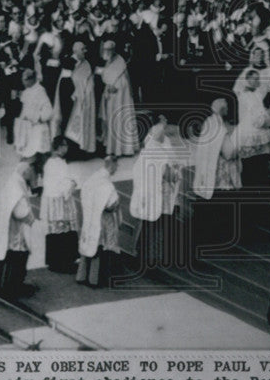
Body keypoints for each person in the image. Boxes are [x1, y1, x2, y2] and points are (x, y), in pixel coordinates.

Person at [0, 161, 37, 298]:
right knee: (17, 255)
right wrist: (30, 216)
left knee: (6, 253)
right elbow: (20, 212)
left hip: (10, 226)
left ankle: (1, 282)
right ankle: (12, 286)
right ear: (24, 173)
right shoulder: (17, 186)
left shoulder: (14, 180)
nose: (32, 175)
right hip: (17, 229)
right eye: (30, 172)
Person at [130, 120, 183, 267]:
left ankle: (139, 254)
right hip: (157, 195)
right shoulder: (157, 152)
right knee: (155, 227)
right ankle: (151, 258)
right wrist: (176, 171)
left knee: (145, 224)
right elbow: (169, 175)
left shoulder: (148, 149)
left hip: (146, 195)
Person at [77, 156, 121, 287]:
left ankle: (82, 275)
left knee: (89, 244)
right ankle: (95, 279)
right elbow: (111, 205)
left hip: (89, 217)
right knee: (101, 246)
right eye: (116, 166)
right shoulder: (107, 184)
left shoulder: (92, 179)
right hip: (103, 219)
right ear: (111, 165)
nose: (117, 169)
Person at [42, 136, 80, 273]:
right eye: (65, 145)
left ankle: (55, 261)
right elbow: (64, 184)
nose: (67, 148)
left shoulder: (50, 163)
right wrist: (73, 183)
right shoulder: (60, 164)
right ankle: (65, 262)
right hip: (60, 201)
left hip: (52, 200)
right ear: (59, 147)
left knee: (56, 232)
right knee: (63, 230)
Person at [55, 40, 97, 159]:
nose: (85, 51)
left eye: (85, 49)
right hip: (71, 102)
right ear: (75, 51)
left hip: (84, 101)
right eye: (83, 49)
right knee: (69, 126)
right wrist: (74, 97)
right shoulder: (68, 63)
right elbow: (64, 84)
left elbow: (89, 80)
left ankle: (82, 151)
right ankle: (69, 154)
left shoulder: (86, 63)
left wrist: (86, 94)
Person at [97, 38, 139, 157]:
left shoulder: (120, 60)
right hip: (111, 91)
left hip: (121, 93)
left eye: (109, 49)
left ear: (113, 49)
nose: (107, 51)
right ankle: (112, 148)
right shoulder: (108, 60)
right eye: (106, 49)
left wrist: (116, 86)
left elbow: (125, 77)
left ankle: (124, 149)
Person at [234, 67, 270, 186]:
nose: (258, 82)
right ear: (247, 80)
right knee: (251, 165)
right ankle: (251, 189)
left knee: (259, 163)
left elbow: (260, 111)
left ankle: (257, 187)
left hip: (257, 131)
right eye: (255, 79)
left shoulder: (255, 94)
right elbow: (256, 119)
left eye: (259, 79)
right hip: (251, 132)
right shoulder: (246, 96)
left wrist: (266, 115)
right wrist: (269, 120)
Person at [192, 98, 230, 199]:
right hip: (214, 159)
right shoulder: (216, 124)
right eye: (226, 108)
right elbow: (223, 148)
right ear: (222, 109)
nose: (228, 110)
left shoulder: (210, 120)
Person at [14, 68, 53, 162]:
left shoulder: (40, 91)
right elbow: (24, 109)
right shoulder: (26, 91)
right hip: (26, 127)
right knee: (25, 154)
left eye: (24, 80)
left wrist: (36, 118)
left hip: (37, 127)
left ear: (31, 79)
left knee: (38, 155)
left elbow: (49, 111)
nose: (23, 83)